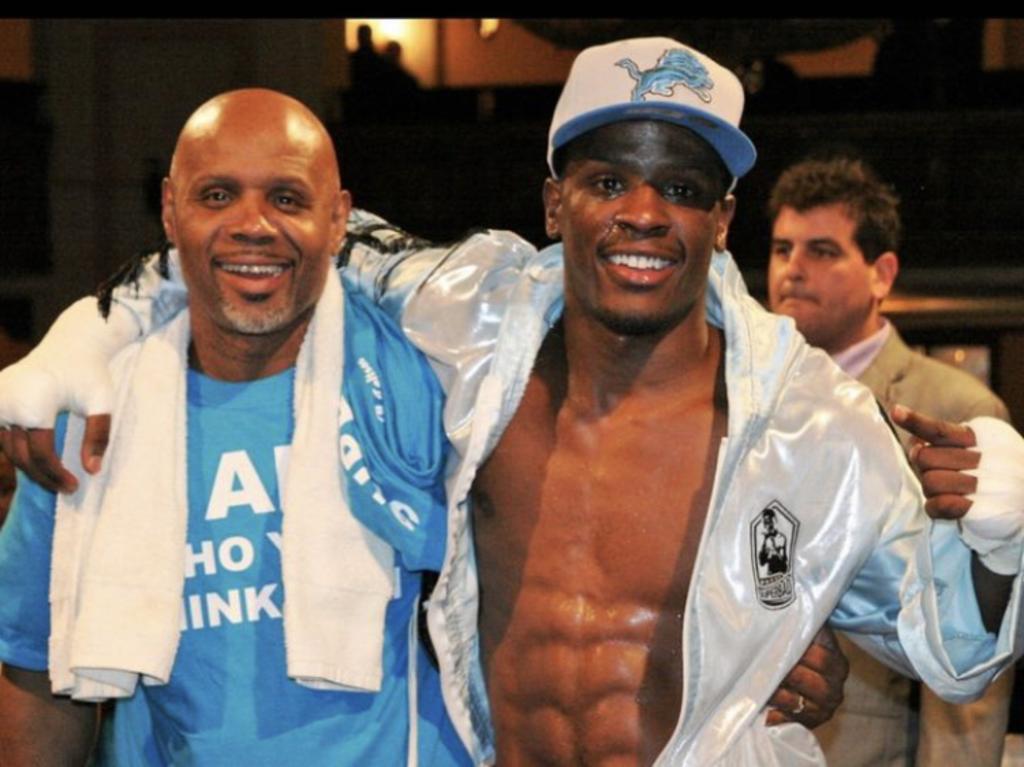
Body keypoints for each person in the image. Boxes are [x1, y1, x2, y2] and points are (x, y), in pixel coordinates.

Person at [1, 37, 1021, 766]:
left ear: (722, 218)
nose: (640, 212)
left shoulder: (811, 424)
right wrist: (93, 330)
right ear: (551, 202)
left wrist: (1000, 539)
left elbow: (951, 647)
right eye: (607, 178)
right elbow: (270, 235)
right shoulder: (467, 331)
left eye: (679, 187)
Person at [0, 89, 467, 765]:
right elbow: (33, 661)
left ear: (339, 219)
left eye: (286, 198)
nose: (253, 224)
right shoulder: (93, 409)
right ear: (170, 209)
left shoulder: (424, 385)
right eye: (217, 195)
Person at [767, 155, 1015, 767]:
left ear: (882, 274)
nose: (792, 270)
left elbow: (969, 664)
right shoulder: (745, 395)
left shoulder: (953, 406)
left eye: (822, 251)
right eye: (780, 249)